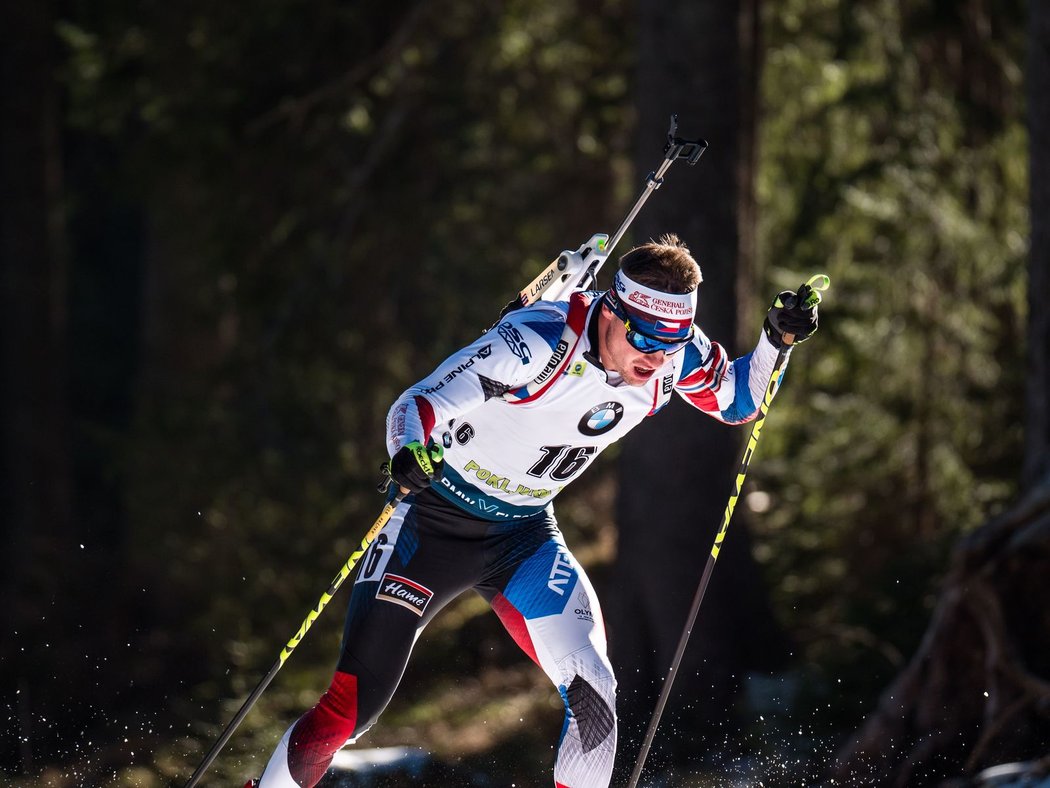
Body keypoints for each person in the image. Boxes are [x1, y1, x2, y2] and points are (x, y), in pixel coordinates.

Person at [250, 233, 818, 788]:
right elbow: (417, 403)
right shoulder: (537, 343)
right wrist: (409, 453)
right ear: (612, 314)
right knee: (354, 707)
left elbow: (741, 399)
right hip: (431, 525)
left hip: (523, 537)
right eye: (646, 342)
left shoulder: (675, 352)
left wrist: (776, 340)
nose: (658, 359)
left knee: (595, 693)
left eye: (672, 345)